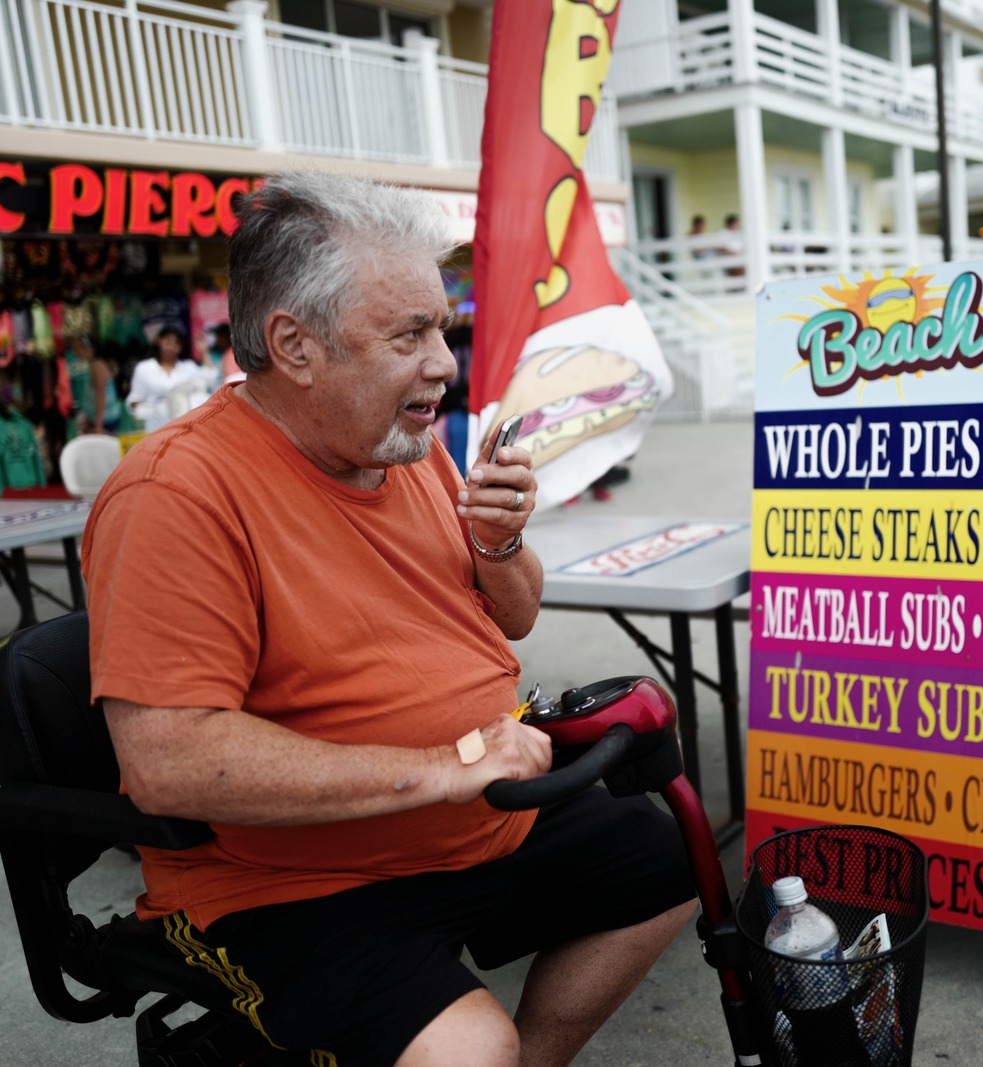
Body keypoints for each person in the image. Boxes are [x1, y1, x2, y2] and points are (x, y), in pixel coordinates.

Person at [82, 171, 696, 1067]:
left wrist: (498, 543)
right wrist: (444, 768)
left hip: (479, 820)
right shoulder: (175, 493)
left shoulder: (403, 446)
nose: (444, 362)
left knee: (673, 861)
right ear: (294, 346)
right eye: (409, 334)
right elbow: (167, 762)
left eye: (439, 328)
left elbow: (517, 617)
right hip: (288, 879)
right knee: (470, 1049)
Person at [124, 325, 217, 431]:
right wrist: (142, 407)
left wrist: (204, 352)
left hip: (184, 424)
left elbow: (209, 378)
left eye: (176, 343)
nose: (171, 346)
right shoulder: (144, 368)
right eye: (168, 341)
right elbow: (134, 398)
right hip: (155, 425)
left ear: (180, 347)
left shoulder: (188, 367)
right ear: (158, 341)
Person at [64, 334, 123, 436]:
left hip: (106, 420)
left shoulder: (97, 367)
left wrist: (98, 425)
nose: (75, 353)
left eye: (77, 349)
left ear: (87, 348)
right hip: (100, 419)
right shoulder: (92, 365)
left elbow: (101, 397)